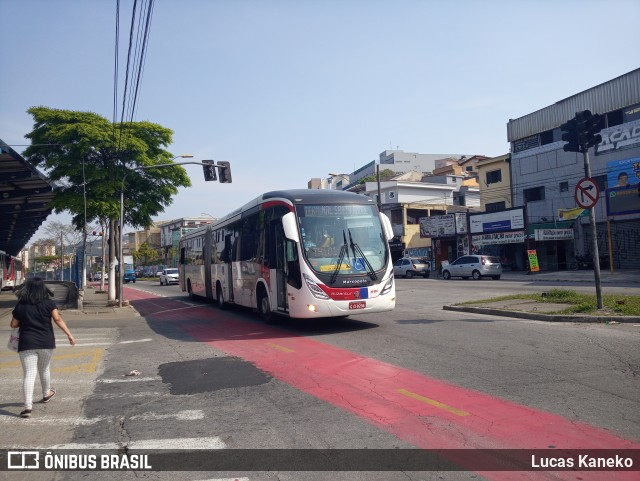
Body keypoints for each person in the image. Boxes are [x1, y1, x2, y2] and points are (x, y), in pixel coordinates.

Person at [9, 277, 75, 418]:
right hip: (46, 342)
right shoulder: (49, 303)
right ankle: (46, 393)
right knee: (44, 369)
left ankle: (27, 407)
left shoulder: (21, 305)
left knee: (29, 374)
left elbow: (13, 324)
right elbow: (57, 319)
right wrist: (69, 335)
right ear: (43, 288)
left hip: (27, 343)